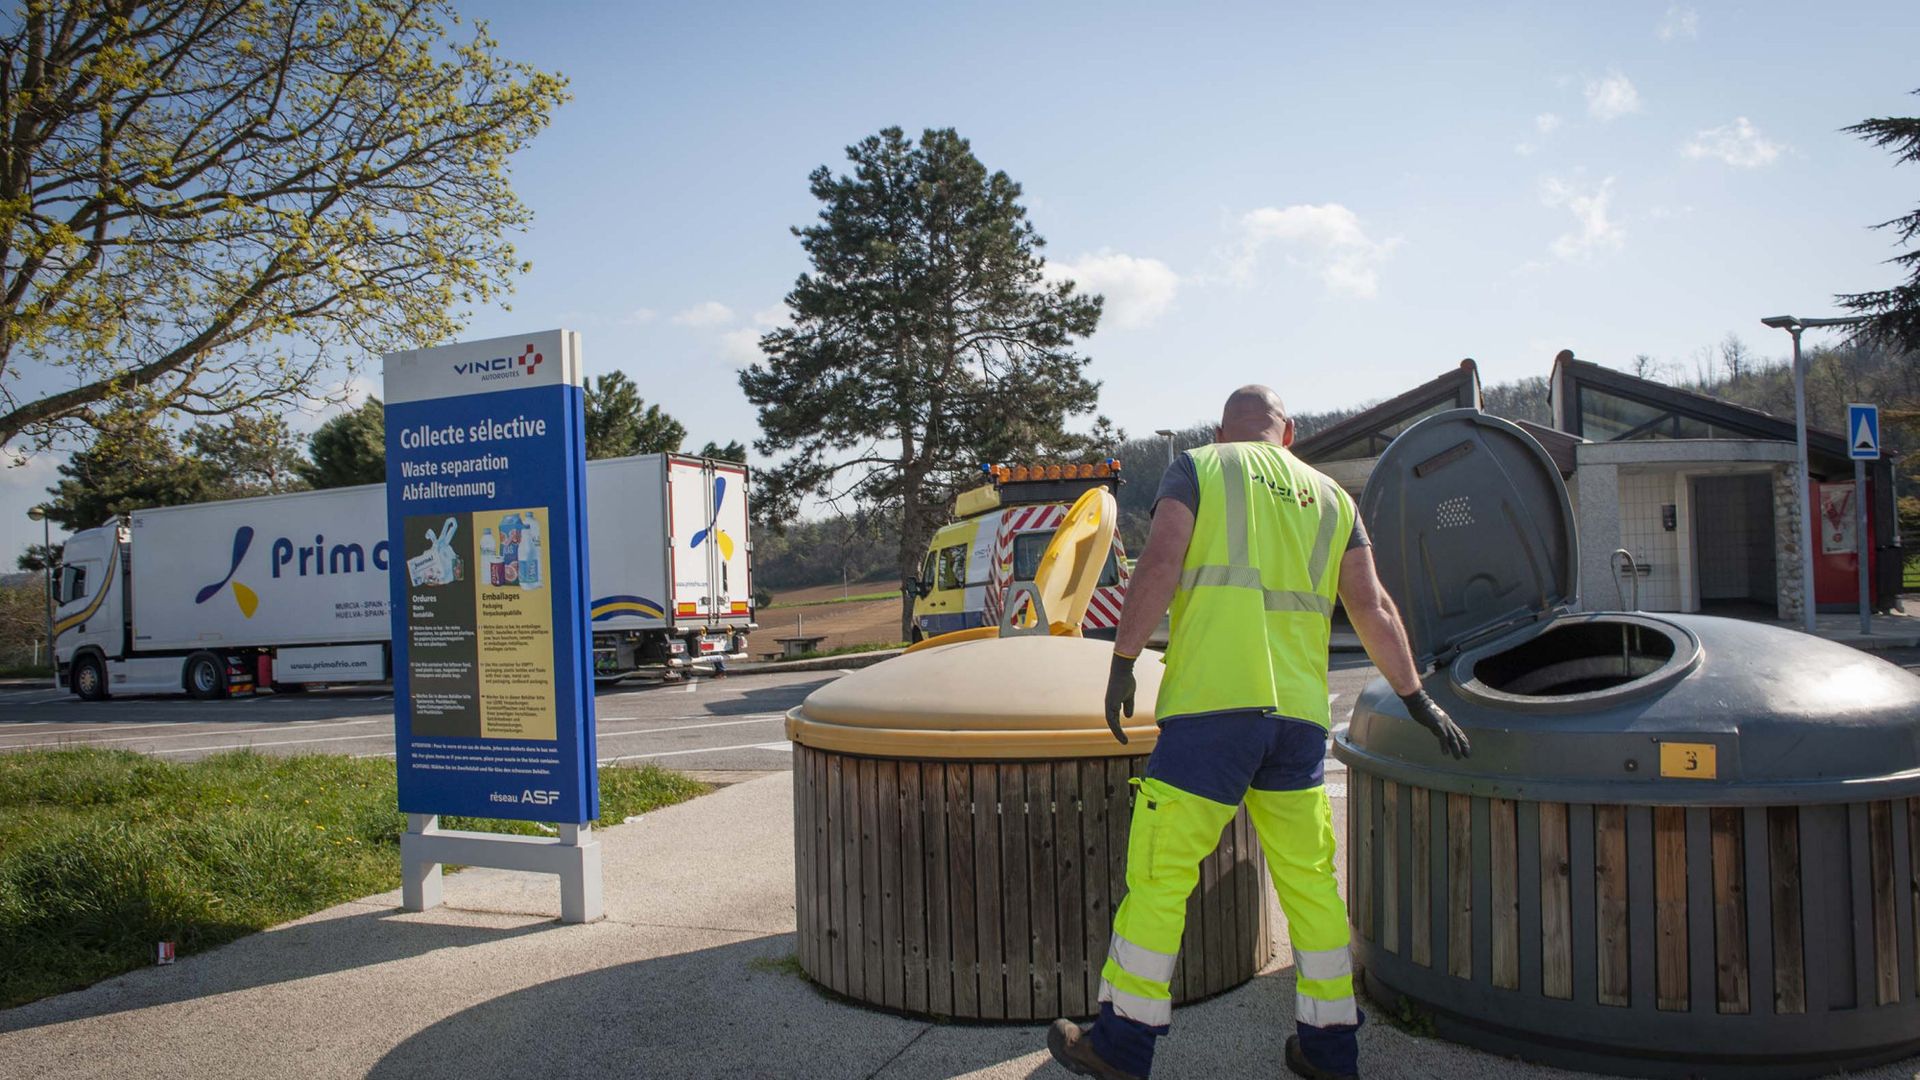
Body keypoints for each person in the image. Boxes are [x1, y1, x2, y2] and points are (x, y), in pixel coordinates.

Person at [1045, 386, 1471, 1080]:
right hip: (1298, 722)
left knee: (1160, 878)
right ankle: (1331, 1050)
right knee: (1310, 885)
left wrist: (1123, 661)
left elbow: (1159, 564)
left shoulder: (1201, 468)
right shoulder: (1332, 498)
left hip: (1213, 710)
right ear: (1289, 432)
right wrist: (1417, 696)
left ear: (1223, 427)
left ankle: (1121, 1046)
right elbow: (1372, 605)